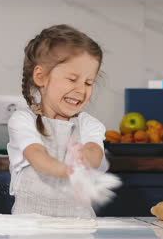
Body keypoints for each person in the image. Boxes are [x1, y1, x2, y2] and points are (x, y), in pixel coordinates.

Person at [7, 24, 109, 218]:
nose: (81, 89)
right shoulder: (22, 120)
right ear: (41, 77)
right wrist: (69, 170)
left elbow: (94, 153)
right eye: (72, 79)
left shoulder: (89, 124)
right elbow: (36, 155)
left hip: (79, 228)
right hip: (30, 228)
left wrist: (83, 158)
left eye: (89, 83)